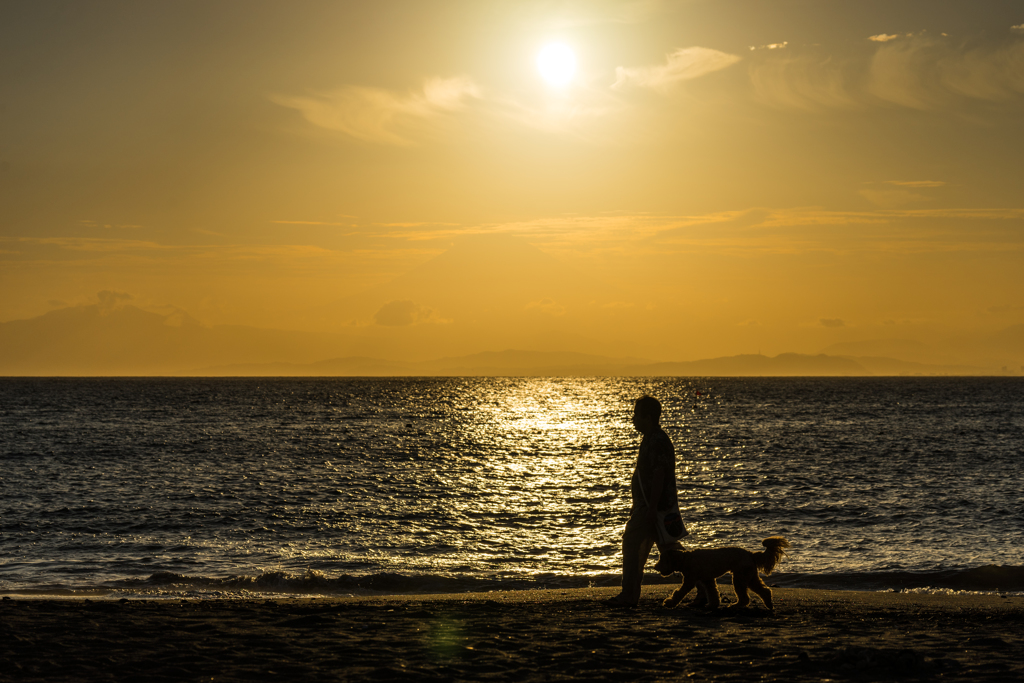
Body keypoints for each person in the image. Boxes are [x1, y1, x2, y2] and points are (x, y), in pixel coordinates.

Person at [603, 395, 682, 608]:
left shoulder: (656, 440)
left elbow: (659, 475)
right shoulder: (650, 438)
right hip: (651, 506)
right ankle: (703, 588)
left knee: (632, 544)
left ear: (647, 417)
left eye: (636, 415)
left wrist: (652, 507)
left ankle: (628, 595)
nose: (633, 419)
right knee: (671, 550)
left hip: (652, 507)